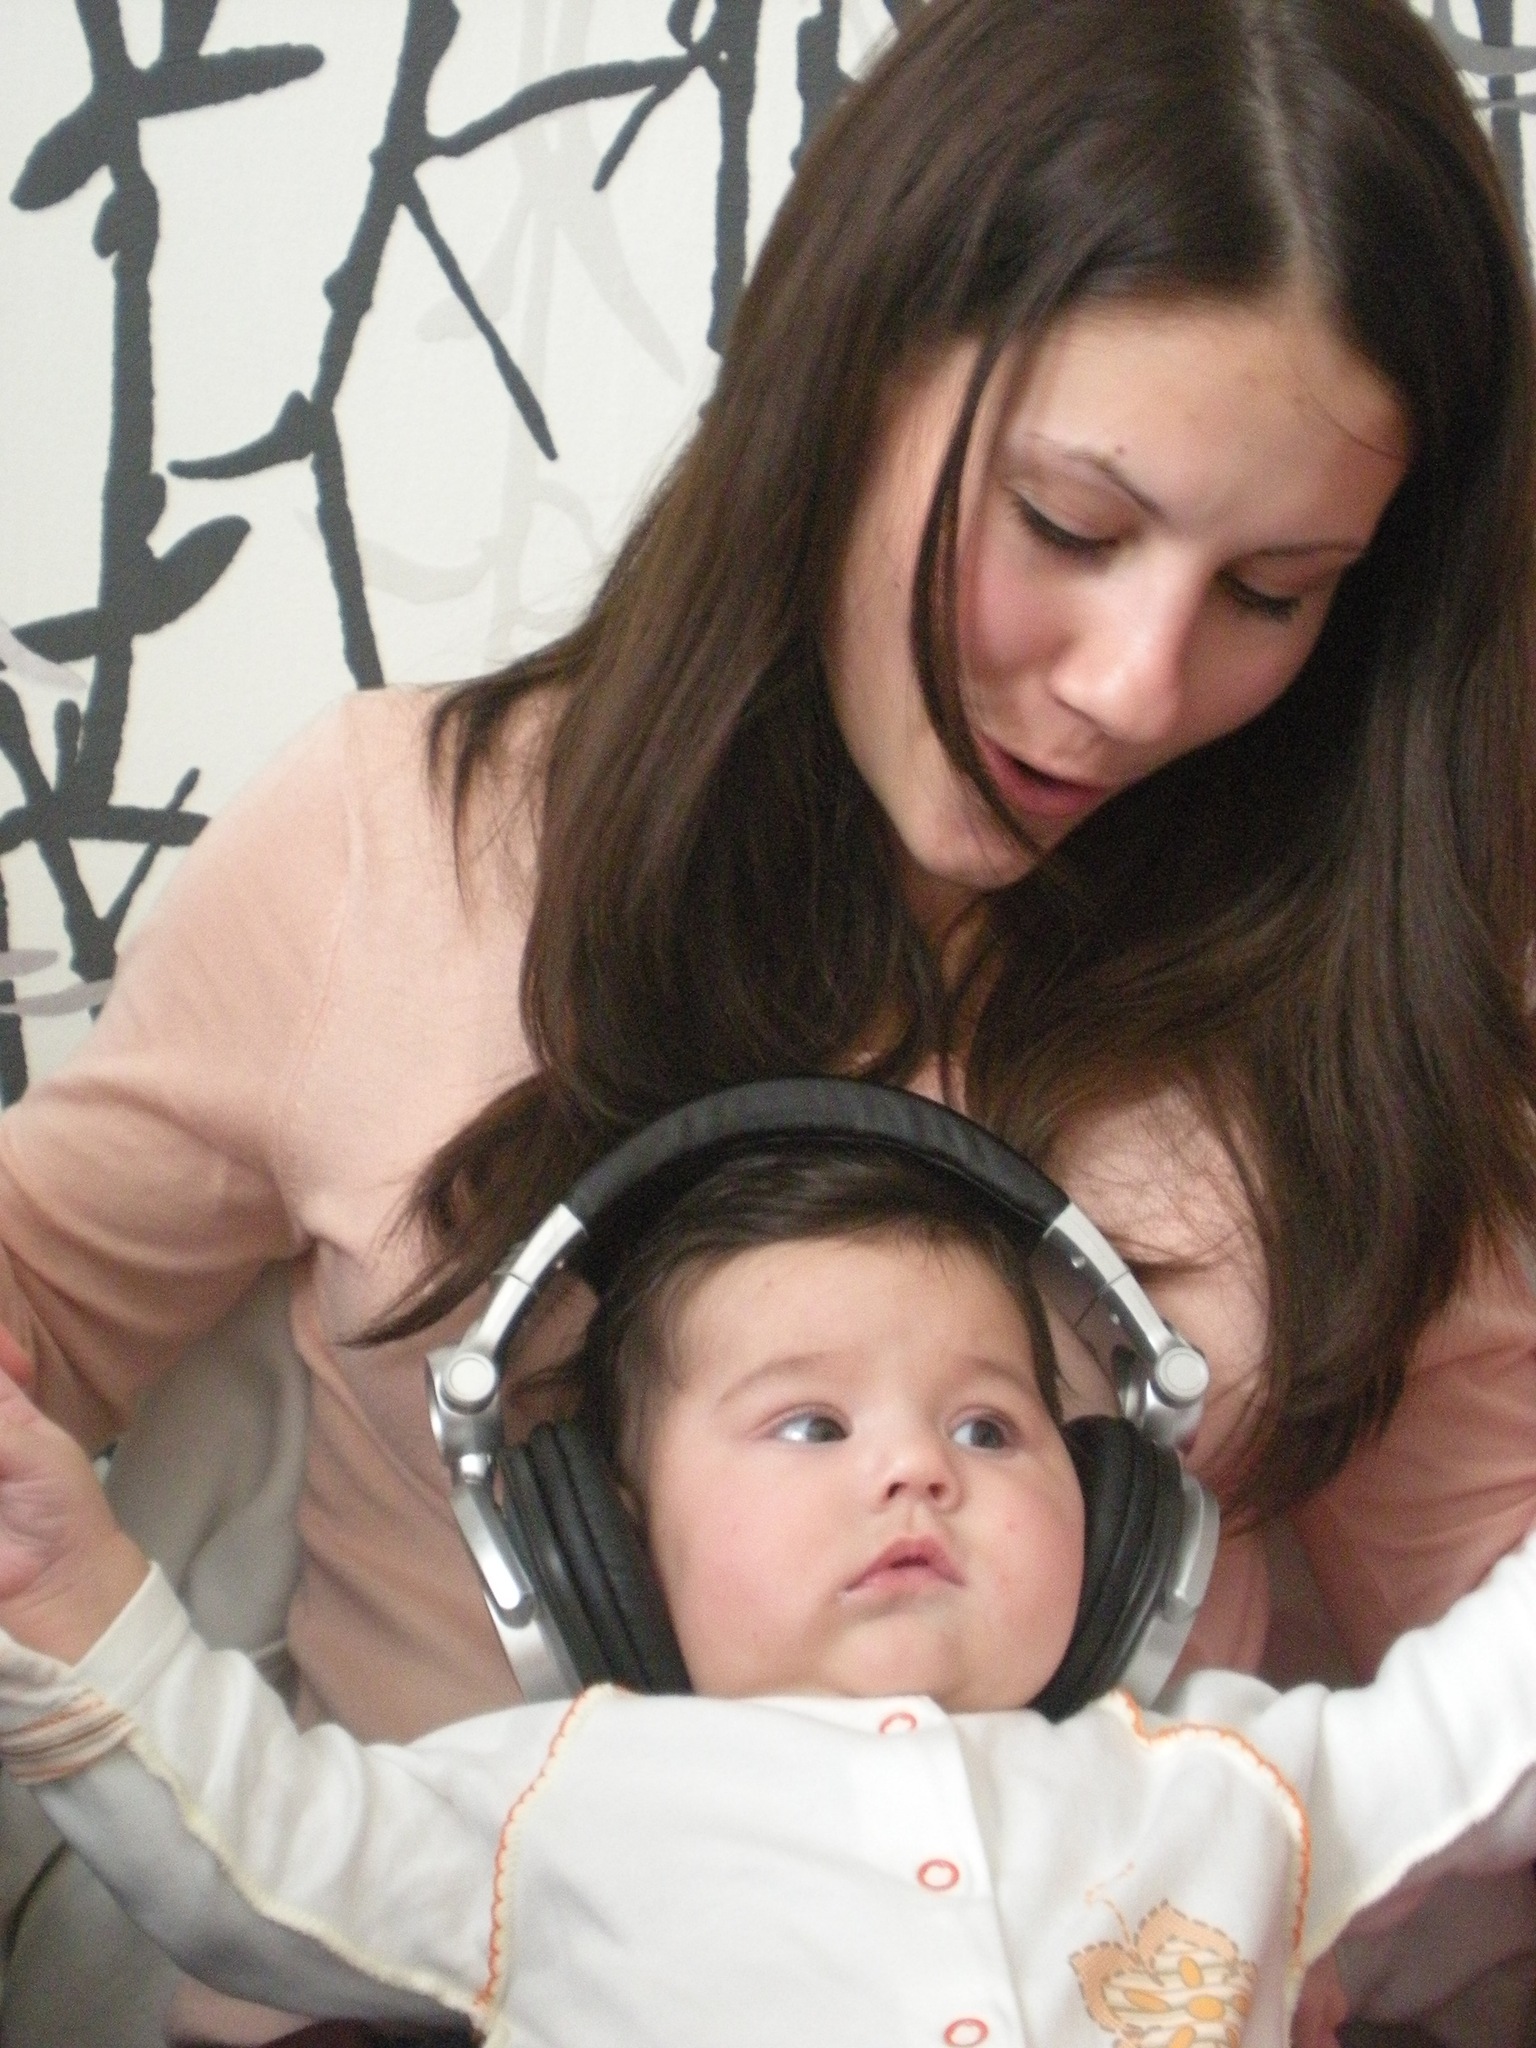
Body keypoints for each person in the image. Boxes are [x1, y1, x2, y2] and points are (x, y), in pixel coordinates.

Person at [2, 0, 1536, 2035]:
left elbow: (1490, 1652)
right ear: (840, 382)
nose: (1133, 685)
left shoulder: (1366, 989)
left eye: (1273, 590)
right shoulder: (393, 842)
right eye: (1068, 527)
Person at [2, 1146, 1535, 2048]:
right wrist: (65, 1584)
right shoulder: (561, 1798)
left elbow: (1482, 1728)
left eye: (987, 1427)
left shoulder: (1224, 1770)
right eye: (811, 1426)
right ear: (613, 1546)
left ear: (1120, 1517)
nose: (914, 1469)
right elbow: (252, 1854)